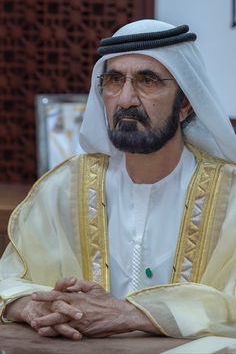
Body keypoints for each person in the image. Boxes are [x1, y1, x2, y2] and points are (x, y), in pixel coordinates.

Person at [1, 19, 236, 341]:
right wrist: (33, 307)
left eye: (147, 80)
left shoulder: (231, 196)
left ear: (184, 104)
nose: (126, 99)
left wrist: (133, 314)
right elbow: (8, 280)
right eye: (113, 80)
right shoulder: (65, 188)